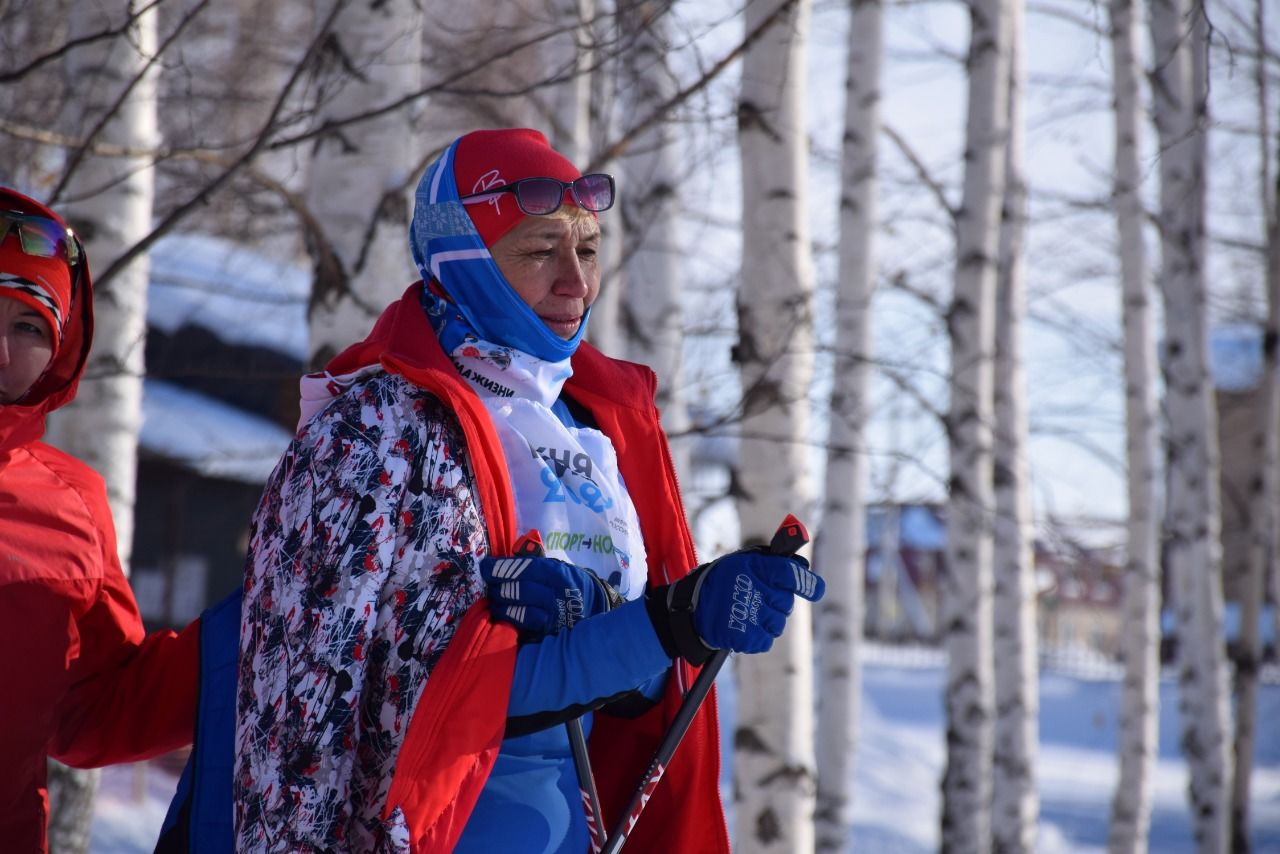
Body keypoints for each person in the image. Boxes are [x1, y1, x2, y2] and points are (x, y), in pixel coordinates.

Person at [231, 128, 825, 852]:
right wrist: (666, 624)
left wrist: (685, 616)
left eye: (589, 250)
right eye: (541, 251)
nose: (576, 281)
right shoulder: (374, 435)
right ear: (465, 260)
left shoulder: (594, 424)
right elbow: (381, 712)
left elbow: (627, 695)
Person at [0, 187, 200, 852]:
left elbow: (96, 710)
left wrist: (260, 637)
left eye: (28, 327)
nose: (1, 352)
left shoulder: (70, 502)